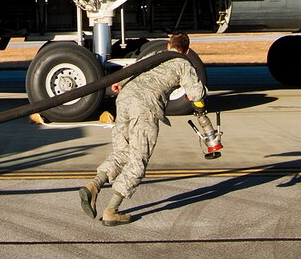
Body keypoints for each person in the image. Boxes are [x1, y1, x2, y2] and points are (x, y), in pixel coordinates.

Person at [79, 33, 212, 225]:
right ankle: (111, 211)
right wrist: (204, 92)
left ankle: (94, 186)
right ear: (187, 50)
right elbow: (196, 94)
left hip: (124, 101)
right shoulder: (184, 64)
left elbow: (133, 69)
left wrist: (120, 83)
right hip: (145, 109)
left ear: (168, 46)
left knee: (121, 153)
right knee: (137, 160)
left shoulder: (155, 55)